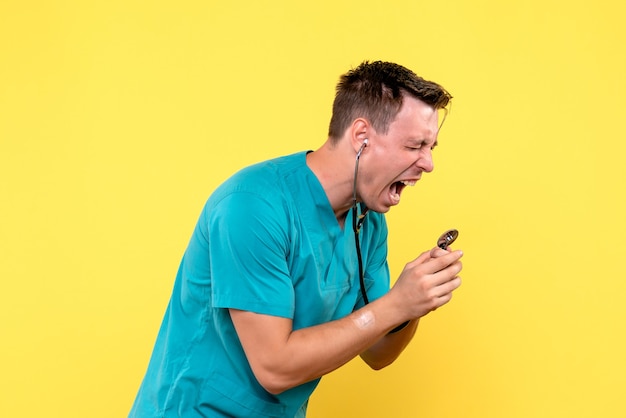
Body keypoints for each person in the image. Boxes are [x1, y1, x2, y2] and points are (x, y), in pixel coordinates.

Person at [129, 60, 463, 418]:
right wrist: (396, 304)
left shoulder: (368, 223)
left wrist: (414, 304)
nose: (428, 164)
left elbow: (379, 352)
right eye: (415, 146)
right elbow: (275, 368)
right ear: (361, 136)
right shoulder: (252, 206)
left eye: (432, 148)